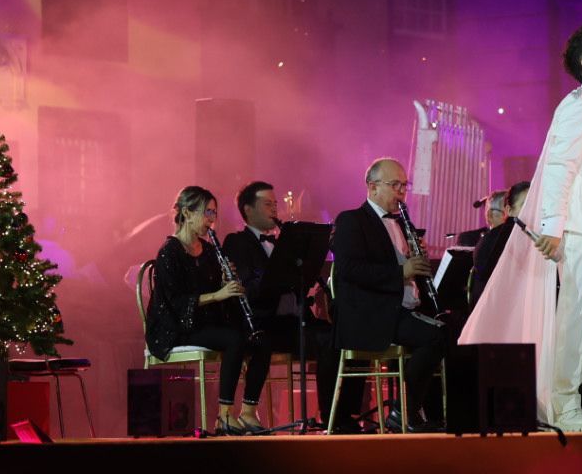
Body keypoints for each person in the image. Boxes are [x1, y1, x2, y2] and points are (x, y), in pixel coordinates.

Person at [460, 20, 582, 431]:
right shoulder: (579, 104)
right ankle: (564, 403)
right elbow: (559, 168)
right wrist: (552, 225)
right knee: (577, 318)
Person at [329, 158, 448, 433]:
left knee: (449, 331)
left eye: (404, 186)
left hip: (401, 310)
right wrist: (401, 271)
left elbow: (408, 272)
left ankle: (428, 413)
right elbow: (349, 270)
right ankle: (404, 409)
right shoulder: (352, 220)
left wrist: (417, 262)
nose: (401, 192)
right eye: (394, 185)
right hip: (371, 315)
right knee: (436, 337)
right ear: (372, 187)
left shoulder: (403, 224)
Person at [144, 185, 272, 435]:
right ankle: (223, 415)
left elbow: (217, 296)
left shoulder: (211, 250)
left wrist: (227, 285)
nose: (211, 220)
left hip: (204, 322)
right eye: (207, 213)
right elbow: (176, 303)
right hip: (176, 326)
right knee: (233, 339)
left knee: (261, 339)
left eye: (214, 214)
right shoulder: (169, 252)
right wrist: (218, 294)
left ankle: (247, 411)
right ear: (187, 213)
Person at [221, 181, 342, 430]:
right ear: (248, 210)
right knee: (305, 339)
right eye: (267, 204)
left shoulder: (282, 243)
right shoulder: (236, 242)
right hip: (262, 322)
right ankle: (247, 412)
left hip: (290, 322)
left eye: (275, 204)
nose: (274, 209)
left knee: (335, 336)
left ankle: (334, 416)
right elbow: (249, 288)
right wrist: (281, 274)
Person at [470, 180, 529, 304]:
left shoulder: (531, 238)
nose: (532, 211)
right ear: (509, 211)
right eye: (525, 206)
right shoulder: (490, 243)